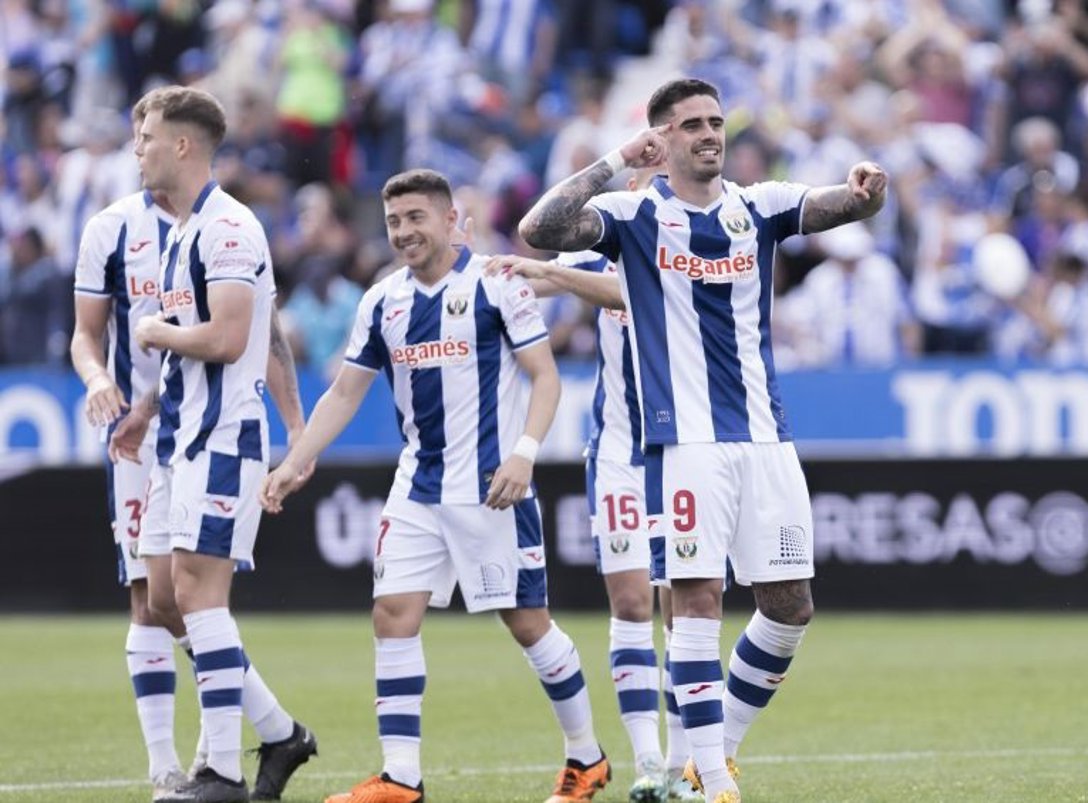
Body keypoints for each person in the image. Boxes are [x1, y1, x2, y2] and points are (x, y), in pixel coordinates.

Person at [519, 77, 888, 803]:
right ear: (661, 139)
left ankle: (711, 759)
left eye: (715, 121)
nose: (710, 134)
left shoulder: (759, 206)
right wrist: (615, 160)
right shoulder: (632, 214)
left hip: (766, 440)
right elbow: (541, 228)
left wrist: (865, 191)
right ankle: (713, 783)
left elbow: (840, 205)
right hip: (684, 446)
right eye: (690, 124)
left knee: (790, 607)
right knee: (695, 603)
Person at [260, 168, 609, 803]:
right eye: (394, 221)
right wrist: (294, 461)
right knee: (392, 614)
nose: (403, 232)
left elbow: (545, 377)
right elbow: (345, 392)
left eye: (416, 217)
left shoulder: (497, 285)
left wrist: (524, 455)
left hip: (492, 487)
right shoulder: (382, 300)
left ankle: (586, 757)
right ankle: (401, 777)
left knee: (528, 624)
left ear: (450, 220)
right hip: (418, 485)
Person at [72, 93, 318, 803]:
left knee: (199, 597)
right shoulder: (181, 234)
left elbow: (234, 339)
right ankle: (278, 733)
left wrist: (155, 332)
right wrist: (144, 409)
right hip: (175, 438)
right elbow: (189, 355)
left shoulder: (229, 228)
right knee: (165, 598)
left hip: (223, 439)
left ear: (182, 145)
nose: (137, 149)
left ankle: (221, 772)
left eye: (147, 137)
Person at [487, 167, 704, 803]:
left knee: (684, 609)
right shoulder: (598, 249)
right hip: (617, 453)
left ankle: (686, 766)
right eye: (646, 177)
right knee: (632, 603)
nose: (655, 190)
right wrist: (478, 267)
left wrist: (552, 274)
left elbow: (634, 290)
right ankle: (649, 763)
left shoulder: (697, 243)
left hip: (686, 450)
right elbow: (528, 268)